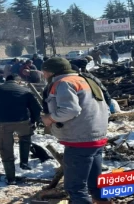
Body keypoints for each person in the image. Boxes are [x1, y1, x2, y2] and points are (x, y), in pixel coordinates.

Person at [40, 57, 110, 204]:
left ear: (51, 72)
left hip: (80, 140)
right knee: (95, 185)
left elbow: (70, 110)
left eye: (44, 72)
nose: (43, 75)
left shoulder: (63, 83)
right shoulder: (86, 79)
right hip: (96, 136)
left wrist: (50, 118)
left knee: (75, 187)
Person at [0, 74, 41, 185]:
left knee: (5, 148)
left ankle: (10, 177)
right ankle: (24, 163)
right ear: (18, 81)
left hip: (1, 123)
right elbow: (36, 107)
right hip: (22, 121)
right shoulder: (24, 90)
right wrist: (35, 121)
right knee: (25, 139)